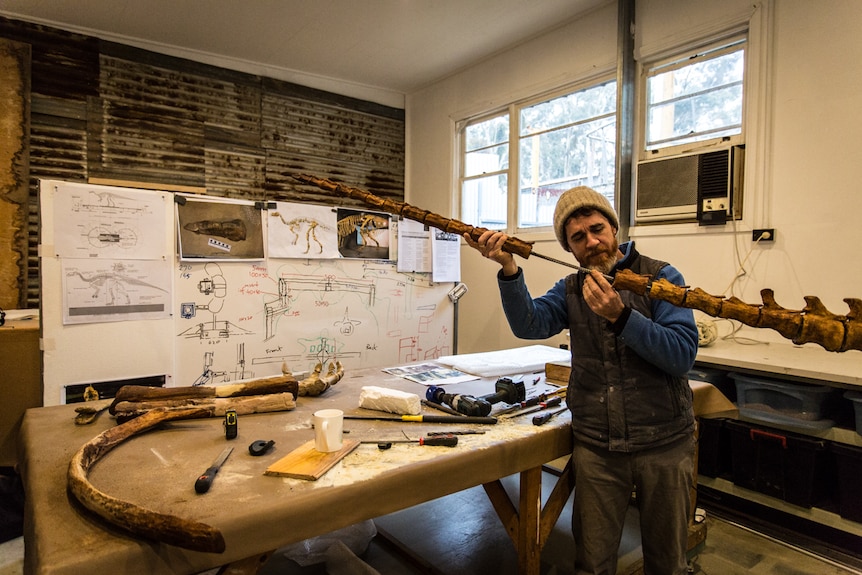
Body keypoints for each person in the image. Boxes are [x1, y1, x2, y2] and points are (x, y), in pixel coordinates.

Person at [463, 186, 698, 575]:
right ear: (569, 249)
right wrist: (508, 268)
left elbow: (681, 355)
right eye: (578, 237)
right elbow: (529, 324)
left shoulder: (661, 277)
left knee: (667, 563)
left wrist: (621, 316)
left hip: (664, 444)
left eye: (597, 229)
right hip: (599, 448)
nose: (591, 242)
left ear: (614, 228)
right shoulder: (573, 287)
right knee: (592, 562)